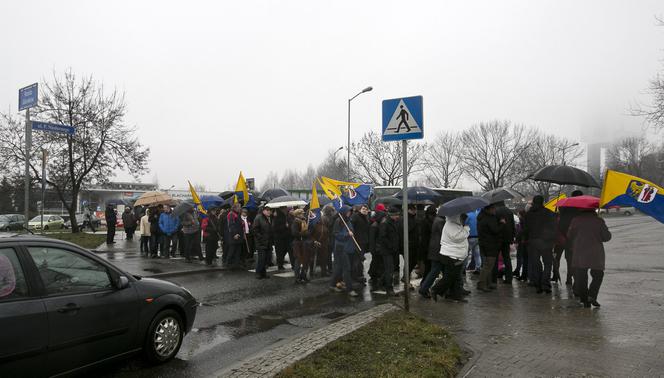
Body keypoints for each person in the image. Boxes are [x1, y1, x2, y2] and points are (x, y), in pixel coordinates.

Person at [567, 208, 612, 307]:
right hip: (595, 252)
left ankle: (584, 299)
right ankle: (592, 295)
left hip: (580, 252)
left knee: (581, 276)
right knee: (598, 275)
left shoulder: (575, 220)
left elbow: (569, 236)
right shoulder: (599, 221)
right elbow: (606, 237)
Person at [431, 213, 470, 302]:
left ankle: (455, 295)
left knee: (455, 277)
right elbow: (458, 237)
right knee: (450, 276)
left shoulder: (454, 224)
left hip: (455, 255)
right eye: (462, 218)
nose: (463, 220)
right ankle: (435, 289)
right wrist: (466, 228)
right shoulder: (451, 225)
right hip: (451, 255)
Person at [523, 195, 556, 293]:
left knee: (536, 264)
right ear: (543, 202)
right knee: (548, 263)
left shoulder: (529, 214)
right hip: (546, 242)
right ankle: (545, 283)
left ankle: (538, 284)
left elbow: (526, 229)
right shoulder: (549, 213)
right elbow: (554, 228)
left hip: (533, 242)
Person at [553, 190, 584, 285]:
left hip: (560, 237)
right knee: (570, 260)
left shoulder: (564, 207)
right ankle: (569, 279)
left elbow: (559, 223)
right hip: (571, 239)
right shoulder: (579, 210)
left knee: (556, 258)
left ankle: (555, 275)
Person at [330, 205, 358, 297]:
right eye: (348, 211)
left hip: (348, 248)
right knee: (347, 269)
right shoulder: (339, 221)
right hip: (341, 248)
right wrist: (347, 234)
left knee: (339, 268)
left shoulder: (348, 221)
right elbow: (336, 234)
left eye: (350, 211)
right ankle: (350, 289)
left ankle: (332, 284)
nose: (349, 213)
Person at [419, 207, 446, 298]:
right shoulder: (440, 222)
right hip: (437, 250)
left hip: (434, 249)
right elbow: (444, 235)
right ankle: (425, 289)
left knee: (436, 270)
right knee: (434, 271)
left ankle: (426, 288)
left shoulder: (437, 221)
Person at [477, 204, 503, 292]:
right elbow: (495, 230)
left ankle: (488, 283)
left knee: (487, 264)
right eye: (493, 209)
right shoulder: (489, 219)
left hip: (484, 244)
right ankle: (482, 284)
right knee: (488, 265)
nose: (495, 210)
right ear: (489, 209)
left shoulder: (481, 217)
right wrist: (502, 223)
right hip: (490, 245)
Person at [377, 206, 401, 297]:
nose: (398, 217)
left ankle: (381, 283)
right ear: (392, 215)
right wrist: (391, 246)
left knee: (389, 268)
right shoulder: (385, 223)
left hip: (393, 250)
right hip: (387, 250)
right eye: (396, 215)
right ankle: (389, 289)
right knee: (389, 269)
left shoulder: (393, 222)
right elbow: (383, 237)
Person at [494, 201, 515, 284]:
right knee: (507, 258)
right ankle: (509, 277)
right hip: (507, 238)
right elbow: (512, 225)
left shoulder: (496, 211)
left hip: (498, 238)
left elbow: (495, 225)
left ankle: (495, 276)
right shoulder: (509, 211)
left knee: (495, 258)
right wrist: (512, 237)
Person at [350, 204, 370, 284]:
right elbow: (352, 227)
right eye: (363, 209)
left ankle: (359, 275)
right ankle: (356, 276)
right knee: (357, 260)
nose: (365, 210)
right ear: (359, 210)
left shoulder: (366, 217)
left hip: (363, 241)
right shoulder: (355, 217)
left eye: (366, 209)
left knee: (360, 259)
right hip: (357, 241)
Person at [368, 204, 387, 287]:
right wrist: (373, 249)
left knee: (377, 262)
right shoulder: (374, 225)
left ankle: (375, 275)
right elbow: (372, 239)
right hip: (376, 248)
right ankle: (373, 275)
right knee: (376, 262)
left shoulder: (378, 224)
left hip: (378, 247)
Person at [252, 206, 274, 279]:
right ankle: (258, 273)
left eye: (270, 210)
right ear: (263, 211)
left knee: (266, 259)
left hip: (267, 242)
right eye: (267, 210)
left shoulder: (268, 218)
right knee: (261, 259)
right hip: (261, 242)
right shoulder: (258, 218)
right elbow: (255, 230)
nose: (269, 212)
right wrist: (261, 238)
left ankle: (263, 273)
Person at [291, 209, 310, 283]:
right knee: (298, 261)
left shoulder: (304, 221)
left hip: (304, 242)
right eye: (301, 213)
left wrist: (307, 233)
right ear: (297, 215)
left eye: (303, 213)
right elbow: (294, 233)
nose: (303, 214)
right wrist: (304, 234)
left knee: (305, 260)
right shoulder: (295, 222)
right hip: (297, 243)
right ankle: (297, 278)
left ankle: (303, 276)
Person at [226, 203, 244, 270]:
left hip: (239, 235)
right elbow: (231, 225)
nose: (240, 208)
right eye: (239, 207)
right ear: (235, 208)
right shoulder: (232, 214)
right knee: (232, 251)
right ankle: (228, 264)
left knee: (238, 251)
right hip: (234, 236)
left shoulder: (237, 214)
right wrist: (234, 234)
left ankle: (236, 264)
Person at [513, 210, 528, 281]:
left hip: (522, 242)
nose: (518, 216)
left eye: (518, 214)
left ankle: (519, 272)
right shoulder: (525, 220)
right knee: (522, 258)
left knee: (520, 257)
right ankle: (518, 271)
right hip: (524, 241)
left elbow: (521, 231)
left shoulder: (522, 221)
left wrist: (517, 239)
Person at [465, 209, 480, 274]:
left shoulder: (468, 215)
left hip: (470, 237)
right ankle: (478, 267)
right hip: (478, 237)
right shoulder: (478, 214)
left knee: (466, 254)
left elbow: (464, 224)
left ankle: (463, 268)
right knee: (477, 254)